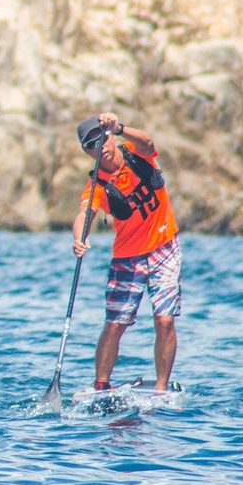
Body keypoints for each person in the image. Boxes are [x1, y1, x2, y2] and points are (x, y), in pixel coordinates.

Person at [71, 112, 182, 392]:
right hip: (128, 258)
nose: (101, 147)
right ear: (87, 152)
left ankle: (160, 389)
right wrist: (79, 238)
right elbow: (86, 212)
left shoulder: (135, 153)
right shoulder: (97, 185)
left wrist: (119, 127)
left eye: (102, 138)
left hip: (165, 247)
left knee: (165, 319)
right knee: (115, 324)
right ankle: (101, 386)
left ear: (110, 136)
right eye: (92, 145)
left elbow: (148, 141)